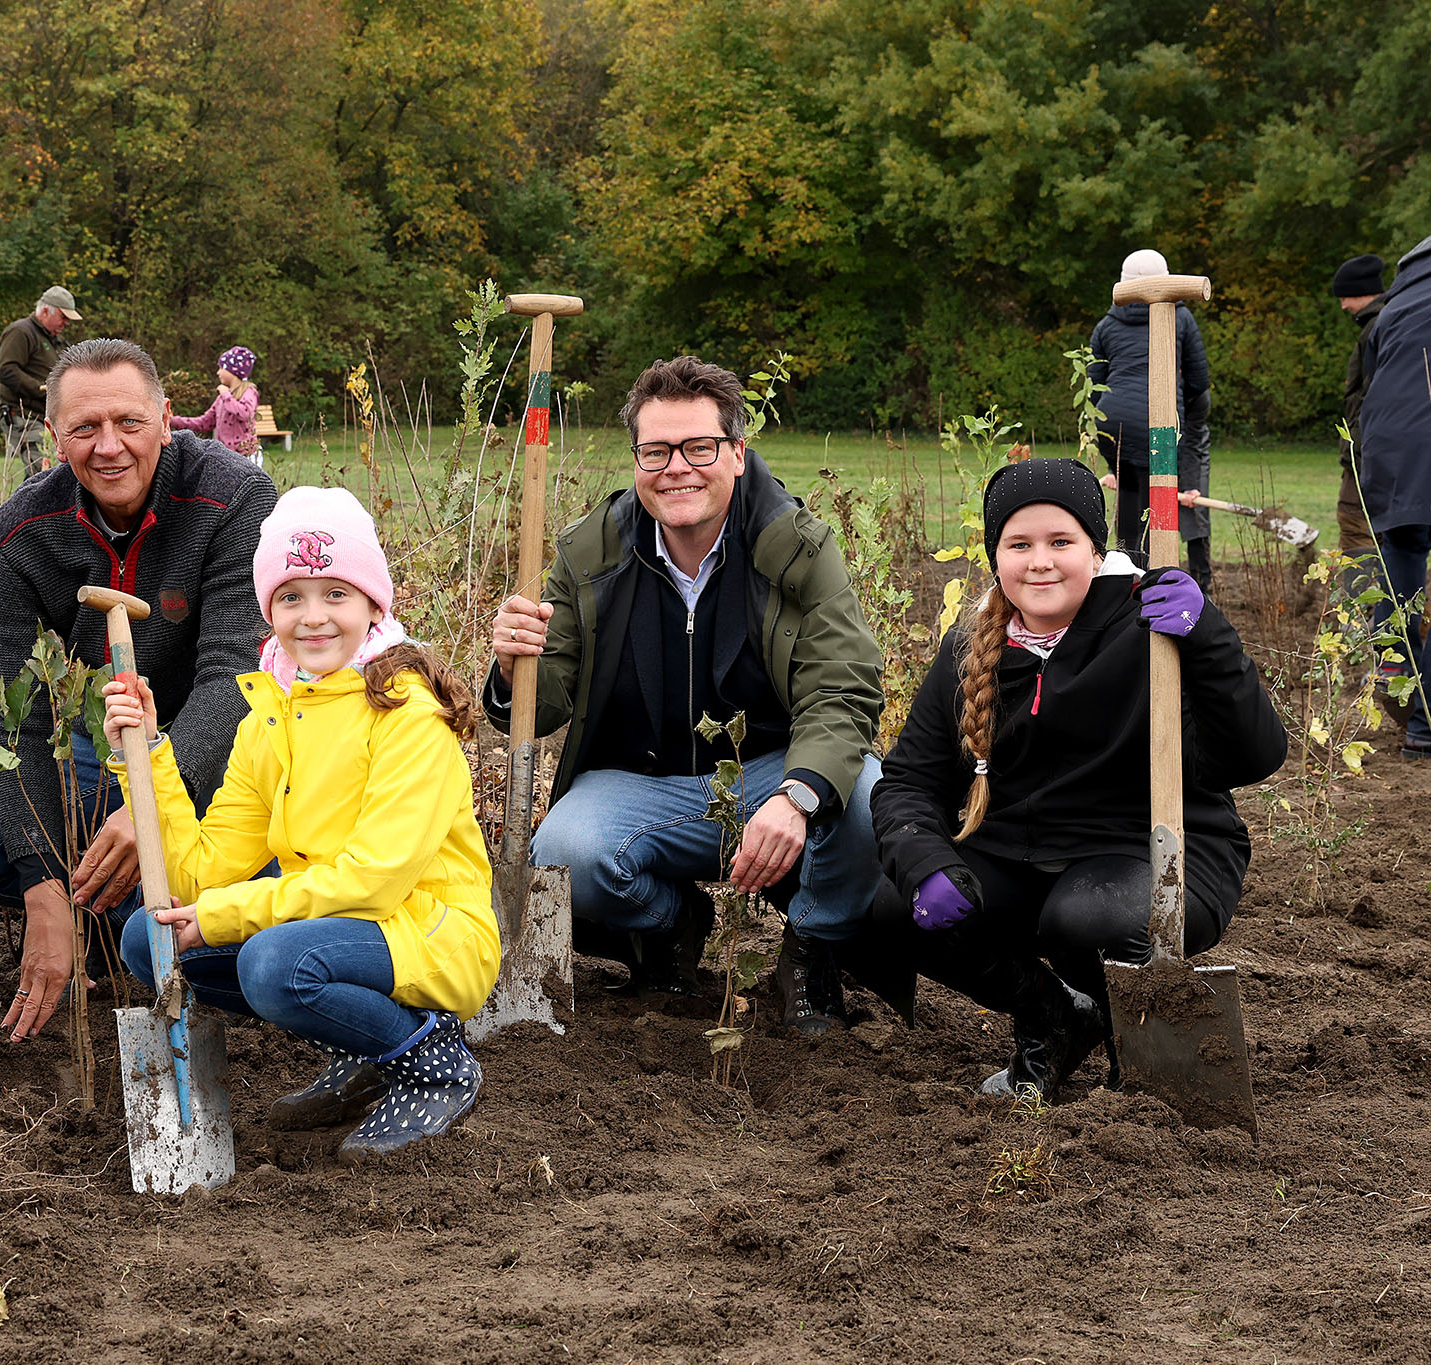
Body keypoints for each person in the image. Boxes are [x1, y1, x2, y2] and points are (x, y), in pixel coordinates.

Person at [486, 355, 885, 1032]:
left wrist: (796, 796)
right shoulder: (590, 553)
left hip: (767, 776)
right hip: (641, 785)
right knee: (563, 851)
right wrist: (510, 663)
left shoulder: (797, 549)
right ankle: (671, 924)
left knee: (867, 797)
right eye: (656, 449)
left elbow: (843, 689)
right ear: (636, 458)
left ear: (735, 453)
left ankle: (813, 949)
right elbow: (544, 701)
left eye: (699, 446)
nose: (677, 466)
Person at [869, 458, 1285, 1101]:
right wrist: (922, 861)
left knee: (1085, 918)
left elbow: (1253, 757)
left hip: (1159, 848)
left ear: (1095, 550)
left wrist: (1208, 638)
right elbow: (908, 782)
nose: (1041, 562)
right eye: (1020, 544)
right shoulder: (969, 650)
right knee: (891, 906)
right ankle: (1052, 1014)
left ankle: (1138, 1060)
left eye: (1061, 542)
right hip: (1022, 852)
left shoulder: (1151, 624)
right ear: (995, 556)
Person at [102, 486, 499, 1156]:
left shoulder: (407, 712)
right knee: (150, 936)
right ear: (269, 609)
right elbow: (202, 870)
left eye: (335, 594)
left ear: (375, 603)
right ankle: (367, 1050)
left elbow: (373, 878)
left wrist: (224, 916)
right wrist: (148, 752)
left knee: (273, 964)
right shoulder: (275, 715)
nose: (313, 618)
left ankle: (433, 1060)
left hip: (430, 930)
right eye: (291, 597)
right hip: (333, 926)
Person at [0, 337, 277, 1046]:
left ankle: (127, 913)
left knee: (247, 886)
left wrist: (149, 803)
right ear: (54, 437)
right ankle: (91, 909)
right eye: (85, 428)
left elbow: (234, 677)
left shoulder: (233, 497)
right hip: (102, 753)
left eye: (128, 422)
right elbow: (20, 717)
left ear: (166, 417)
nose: (109, 446)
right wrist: (42, 887)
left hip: (222, 762)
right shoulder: (23, 531)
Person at [1088, 248, 1215, 594]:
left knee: (1130, 505)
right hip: (1160, 425)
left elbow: (1094, 385)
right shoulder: (1180, 318)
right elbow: (1198, 382)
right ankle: (1190, 582)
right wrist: (1186, 426)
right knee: (1165, 500)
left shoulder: (1106, 325)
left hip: (1113, 425)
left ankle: (1128, 585)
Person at [1356, 232, 1431, 758]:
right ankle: (1426, 721)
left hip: (1383, 451)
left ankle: (1409, 709)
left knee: (1397, 582)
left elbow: (1369, 384)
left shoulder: (1396, 305)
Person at [1331, 252, 1387, 594]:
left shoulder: (1377, 328)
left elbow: (1371, 399)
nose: (1342, 306)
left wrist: (1359, 449)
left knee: (1354, 520)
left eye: (1345, 297)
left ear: (1363, 292)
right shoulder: (1382, 324)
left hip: (1367, 450)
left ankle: (1360, 610)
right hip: (1371, 448)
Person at [0, 286, 82, 482]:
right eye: (63, 317)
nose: (66, 323)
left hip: (48, 418)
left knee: (56, 472)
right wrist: (40, 389)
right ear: (45, 311)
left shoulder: (55, 339)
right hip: (25, 417)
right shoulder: (21, 332)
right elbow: (7, 370)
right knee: (43, 475)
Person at [171, 346, 262, 466]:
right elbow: (203, 423)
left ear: (232, 370)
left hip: (246, 457)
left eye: (220, 368)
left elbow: (245, 413)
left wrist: (226, 395)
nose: (218, 372)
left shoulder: (249, 392)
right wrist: (172, 420)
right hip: (225, 458)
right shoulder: (222, 399)